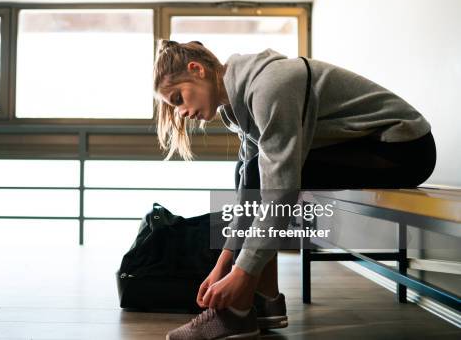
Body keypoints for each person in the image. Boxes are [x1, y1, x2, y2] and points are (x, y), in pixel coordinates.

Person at [153, 40, 436, 340]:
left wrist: (241, 272)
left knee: (262, 177)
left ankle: (238, 312)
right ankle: (263, 300)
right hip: (368, 147)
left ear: (196, 70)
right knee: (247, 173)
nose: (181, 112)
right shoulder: (234, 107)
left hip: (403, 147)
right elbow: (247, 187)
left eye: (178, 98)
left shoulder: (269, 85)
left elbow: (280, 190)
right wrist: (223, 261)